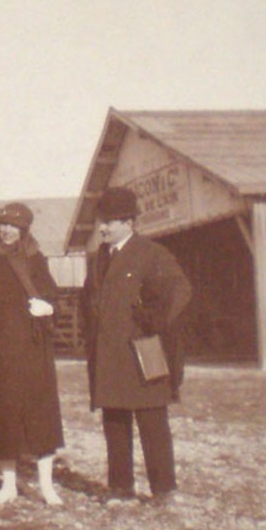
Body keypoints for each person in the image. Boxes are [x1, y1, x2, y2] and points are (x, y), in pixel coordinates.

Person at [83, 187, 192, 503]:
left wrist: (155, 319)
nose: (103, 227)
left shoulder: (151, 253)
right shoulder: (99, 258)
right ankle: (120, 486)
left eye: (110, 221)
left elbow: (180, 291)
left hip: (144, 353)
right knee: (115, 421)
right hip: (108, 355)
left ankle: (163, 490)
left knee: (152, 423)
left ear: (129, 222)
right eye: (102, 221)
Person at [0, 202, 65, 507]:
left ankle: (46, 486)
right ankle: (8, 485)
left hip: (34, 349)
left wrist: (47, 308)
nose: (7, 230)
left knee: (41, 416)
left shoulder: (35, 258)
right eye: (3, 224)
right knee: (3, 416)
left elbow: (51, 295)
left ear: (24, 229)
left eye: (14, 226)